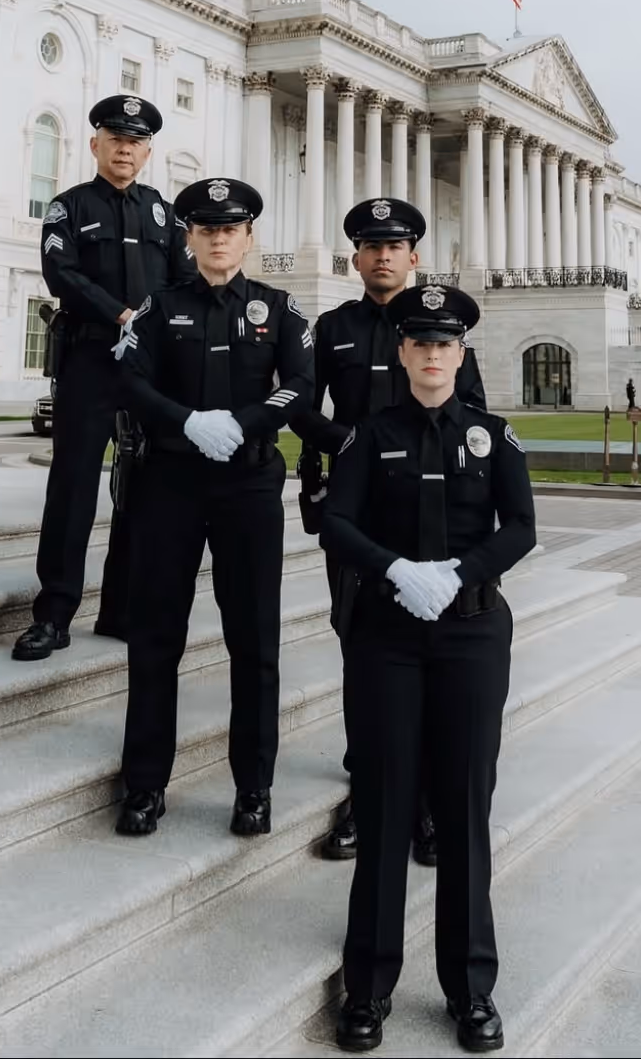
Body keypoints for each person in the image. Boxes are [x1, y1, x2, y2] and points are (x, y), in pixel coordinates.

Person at [320, 284, 536, 1054]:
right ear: (402, 352)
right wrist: (393, 571)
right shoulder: (368, 436)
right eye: (421, 343)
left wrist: (460, 570)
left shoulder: (493, 436)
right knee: (382, 805)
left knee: (465, 809)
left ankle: (471, 990)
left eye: (446, 344)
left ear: (461, 354)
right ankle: (369, 986)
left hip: (472, 633)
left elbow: (522, 528)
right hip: (388, 636)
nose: (434, 354)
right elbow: (336, 522)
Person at [112, 177, 315, 838]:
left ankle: (253, 787)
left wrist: (248, 422)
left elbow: (303, 386)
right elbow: (130, 381)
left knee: (253, 642)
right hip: (170, 482)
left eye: (230, 229)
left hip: (249, 487)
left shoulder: (279, 310)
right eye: (205, 228)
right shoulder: (156, 307)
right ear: (188, 237)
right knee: (155, 639)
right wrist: (188, 421)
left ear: (249, 238)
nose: (218, 238)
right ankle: (144, 785)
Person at [12, 95, 195, 661]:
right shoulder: (67, 207)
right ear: (95, 145)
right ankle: (55, 613)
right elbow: (59, 274)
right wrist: (121, 314)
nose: (125, 148)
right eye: (115, 138)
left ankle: (120, 609)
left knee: (141, 492)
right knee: (72, 488)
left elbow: (183, 282)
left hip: (146, 369)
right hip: (90, 363)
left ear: (147, 152)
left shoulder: (165, 215)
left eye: (135, 141)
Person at [290, 198, 442, 866]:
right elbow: (300, 404)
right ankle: (370, 784)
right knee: (361, 647)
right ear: (354, 257)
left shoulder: (437, 323)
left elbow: (471, 411)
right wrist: (347, 442)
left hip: (424, 512)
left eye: (396, 244)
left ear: (414, 256)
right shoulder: (332, 327)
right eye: (371, 244)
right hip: (355, 515)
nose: (383, 254)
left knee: (431, 649)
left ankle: (428, 799)